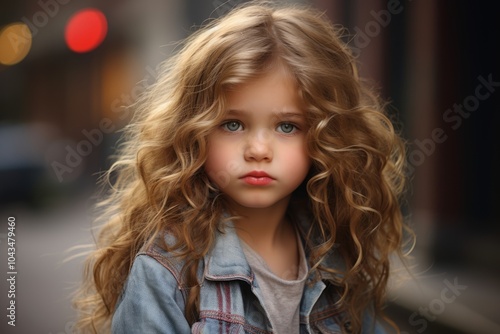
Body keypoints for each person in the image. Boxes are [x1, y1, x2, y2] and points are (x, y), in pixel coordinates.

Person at [74, 1, 412, 333]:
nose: (259, 150)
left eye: (287, 126)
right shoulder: (166, 273)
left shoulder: (337, 253)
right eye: (233, 125)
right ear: (193, 133)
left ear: (326, 136)